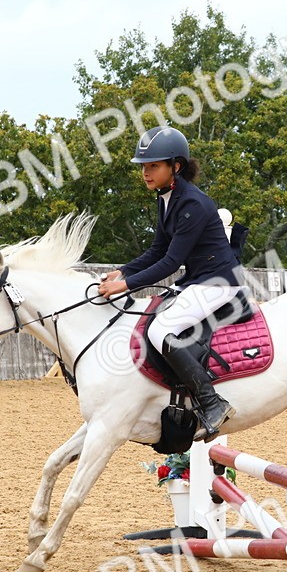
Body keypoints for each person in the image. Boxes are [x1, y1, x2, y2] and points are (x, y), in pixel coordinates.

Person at [97, 125, 246, 440]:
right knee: (153, 319)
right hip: (197, 280)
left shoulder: (191, 203)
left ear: (175, 167)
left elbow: (170, 262)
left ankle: (212, 402)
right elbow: (156, 250)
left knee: (160, 330)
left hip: (220, 282)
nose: (146, 173)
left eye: (154, 166)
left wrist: (124, 287)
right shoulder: (166, 197)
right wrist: (122, 272)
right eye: (144, 166)